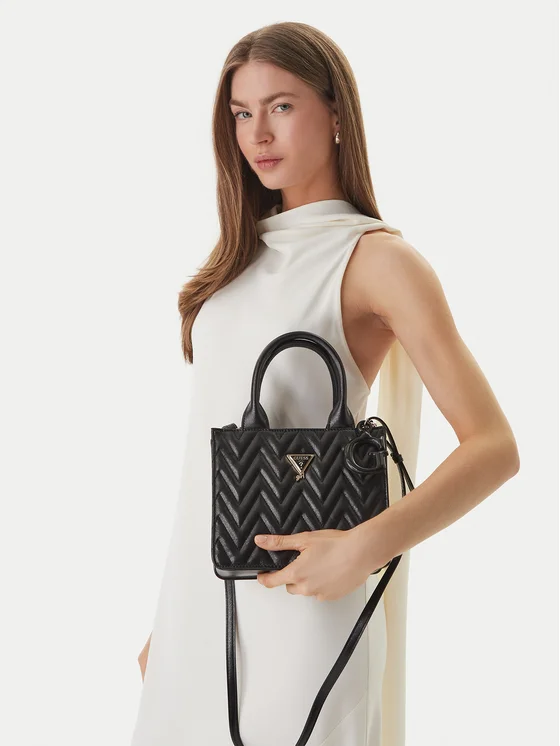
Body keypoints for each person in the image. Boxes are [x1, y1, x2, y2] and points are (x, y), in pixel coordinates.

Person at [130, 21, 520, 746]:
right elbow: (208, 458)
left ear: (336, 112)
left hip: (305, 610)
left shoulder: (376, 260)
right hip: (203, 608)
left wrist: (362, 548)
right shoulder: (237, 260)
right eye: (241, 113)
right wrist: (172, 617)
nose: (257, 134)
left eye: (281, 106)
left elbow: (493, 446)